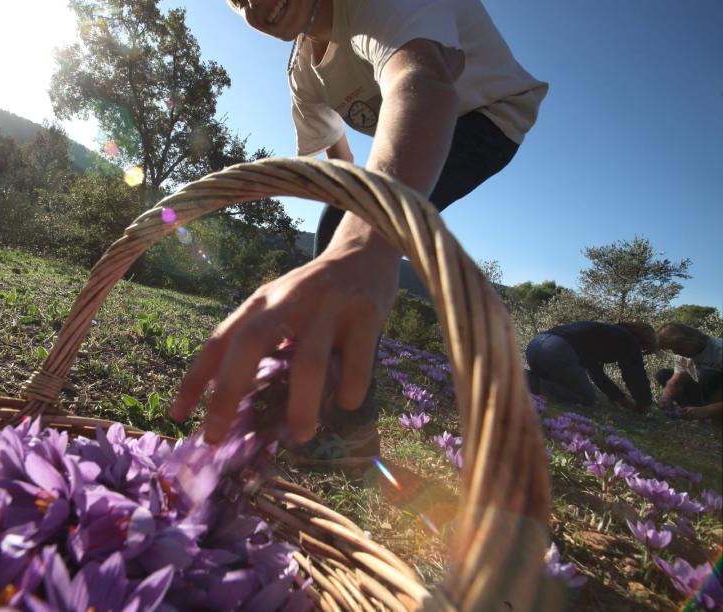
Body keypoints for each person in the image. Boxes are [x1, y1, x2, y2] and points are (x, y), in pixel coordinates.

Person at [170, 0, 548, 466]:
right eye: (240, 0)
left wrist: (363, 242)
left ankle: (352, 430)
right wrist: (342, 232)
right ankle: (320, 390)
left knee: (354, 228)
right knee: (338, 220)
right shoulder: (304, 75)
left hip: (486, 116)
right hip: (434, 115)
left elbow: (421, 81)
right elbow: (340, 165)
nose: (258, 3)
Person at [524, 321, 657, 412]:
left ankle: (523, 377)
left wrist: (618, 397)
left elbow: (596, 372)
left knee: (559, 381)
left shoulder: (606, 333)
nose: (640, 351)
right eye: (643, 349)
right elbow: (634, 373)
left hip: (535, 345)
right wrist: (644, 403)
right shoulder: (629, 340)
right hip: (556, 350)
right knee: (586, 396)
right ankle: (525, 381)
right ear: (642, 340)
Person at [655, 322, 722, 422]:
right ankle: (692, 412)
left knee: (708, 375)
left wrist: (707, 410)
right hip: (706, 395)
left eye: (676, 347)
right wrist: (666, 398)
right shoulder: (682, 356)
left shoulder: (719, 351)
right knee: (663, 375)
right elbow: (676, 381)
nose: (675, 352)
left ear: (689, 340)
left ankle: (710, 416)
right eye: (672, 349)